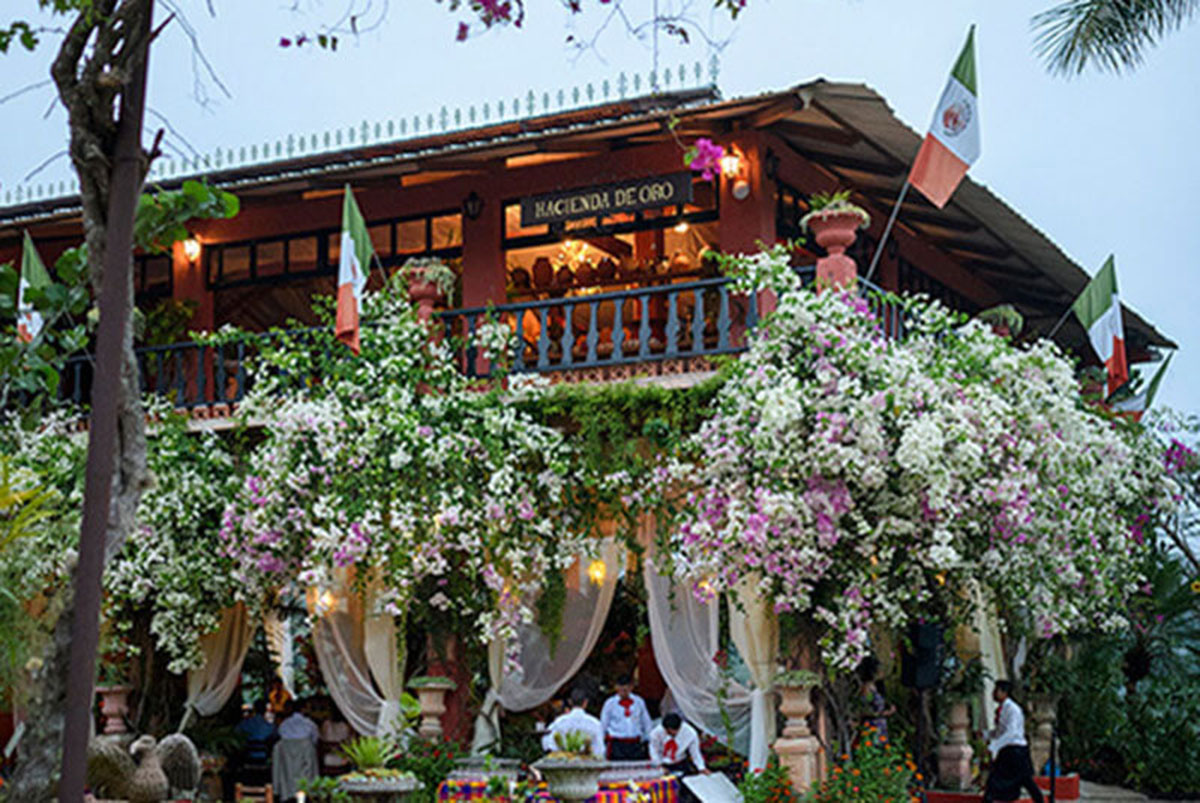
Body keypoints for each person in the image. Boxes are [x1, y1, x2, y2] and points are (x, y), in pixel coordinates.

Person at [982, 681, 1045, 803]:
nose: (993, 694)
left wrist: (993, 747)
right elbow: (1000, 731)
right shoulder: (1003, 709)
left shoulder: (1013, 710)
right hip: (1008, 750)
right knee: (1017, 780)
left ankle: (1039, 800)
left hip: (1016, 750)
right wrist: (986, 734)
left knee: (1024, 780)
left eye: (997, 690)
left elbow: (1011, 733)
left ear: (1004, 693)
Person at [273, 699, 319, 801]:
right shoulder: (310, 725)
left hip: (287, 762)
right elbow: (315, 740)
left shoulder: (284, 724)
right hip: (305, 759)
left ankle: (287, 793)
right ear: (303, 709)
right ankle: (307, 793)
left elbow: (280, 737)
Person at [542, 687, 606, 759]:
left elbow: (548, 743)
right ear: (585, 702)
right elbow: (600, 750)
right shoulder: (595, 723)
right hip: (587, 763)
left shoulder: (559, 722)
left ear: (570, 702)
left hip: (563, 763)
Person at [599, 674, 653, 760]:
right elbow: (603, 725)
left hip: (635, 743)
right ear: (616, 687)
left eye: (627, 687)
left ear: (631, 687)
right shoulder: (609, 703)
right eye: (621, 687)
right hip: (617, 744)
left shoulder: (639, 702)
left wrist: (648, 740)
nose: (624, 690)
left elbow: (646, 723)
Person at [856, 656, 895, 739]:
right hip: (872, 726)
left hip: (880, 726)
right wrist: (884, 713)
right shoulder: (866, 688)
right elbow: (864, 710)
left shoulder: (876, 687)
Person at [235, 699, 277, 766]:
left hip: (248, 756)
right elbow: (275, 735)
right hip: (264, 757)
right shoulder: (269, 726)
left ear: (254, 709)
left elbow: (236, 731)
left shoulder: (246, 723)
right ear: (265, 710)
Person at [319, 706, 352, 776]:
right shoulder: (345, 726)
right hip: (342, 759)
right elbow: (349, 742)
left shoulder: (326, 724)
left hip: (327, 759)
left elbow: (322, 739)